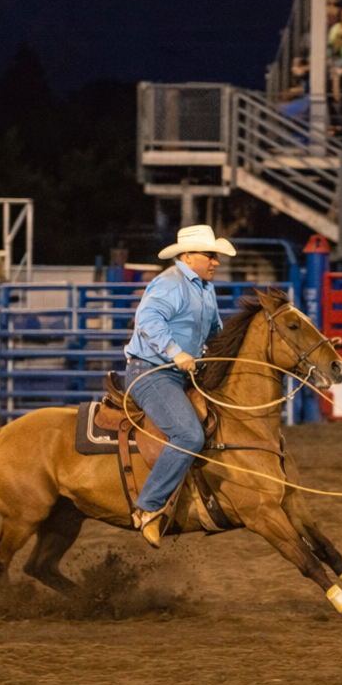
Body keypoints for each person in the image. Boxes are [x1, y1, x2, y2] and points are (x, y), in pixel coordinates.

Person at [123, 224, 233, 548]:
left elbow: (215, 332)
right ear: (187, 256)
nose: (216, 262)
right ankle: (147, 508)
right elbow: (147, 321)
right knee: (188, 434)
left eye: (215, 256)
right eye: (210, 255)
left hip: (181, 374)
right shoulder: (170, 283)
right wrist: (177, 352)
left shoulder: (205, 288)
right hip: (151, 372)